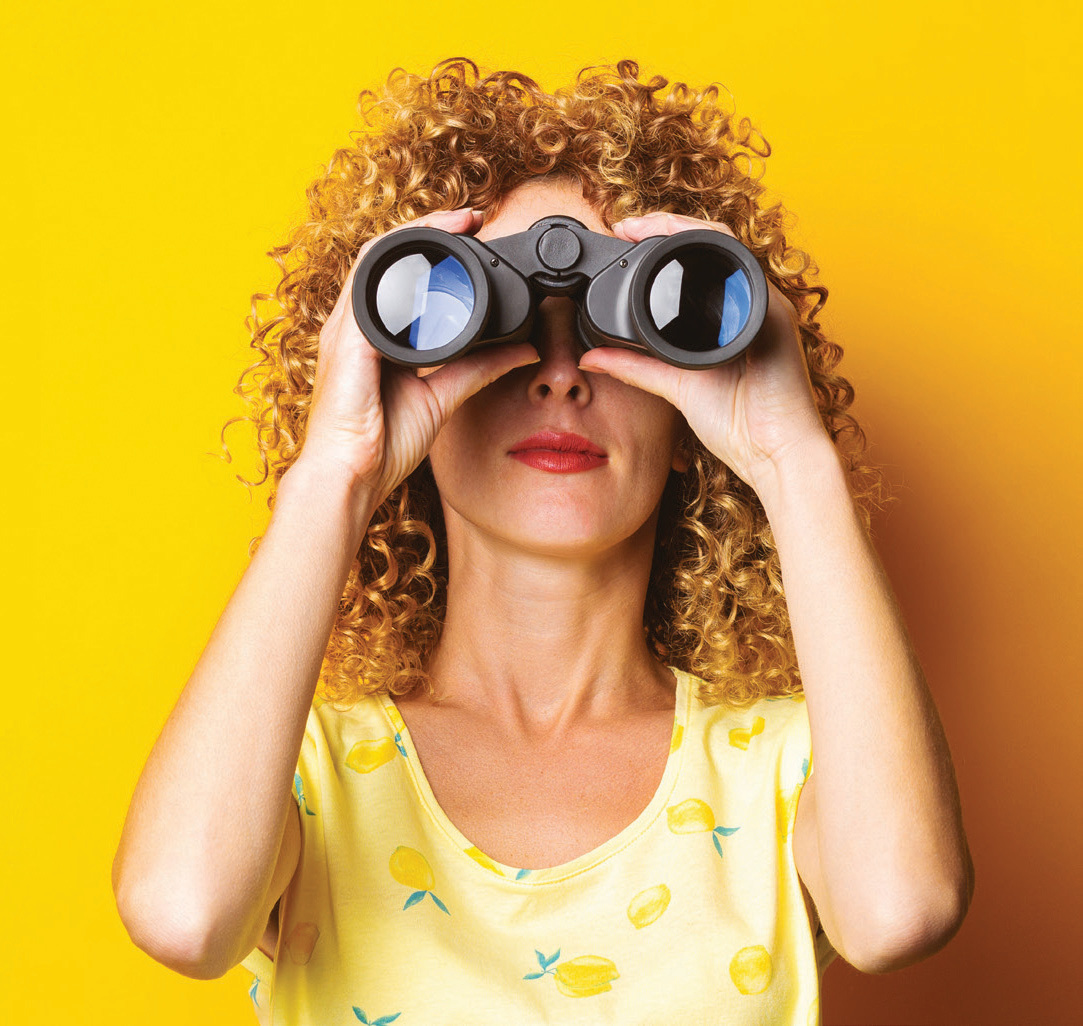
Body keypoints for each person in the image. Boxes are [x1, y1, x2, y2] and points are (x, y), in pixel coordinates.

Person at [111, 58, 973, 1024]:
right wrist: (338, 470)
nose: (559, 375)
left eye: (622, 331)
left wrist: (789, 455)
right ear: (411, 373)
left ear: (690, 416)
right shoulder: (298, 773)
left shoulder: (780, 768)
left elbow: (901, 912)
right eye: (502, 324)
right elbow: (181, 916)